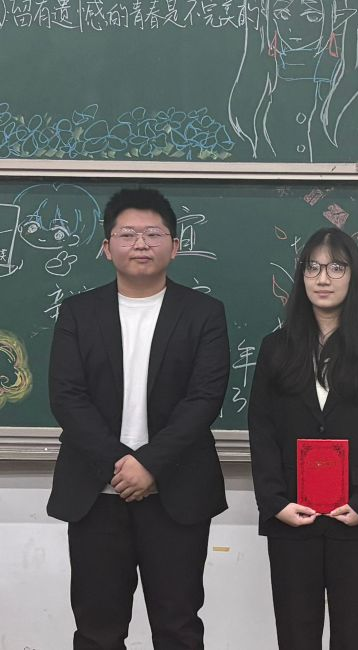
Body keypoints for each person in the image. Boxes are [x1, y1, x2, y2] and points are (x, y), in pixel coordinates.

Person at [47, 187, 230, 648]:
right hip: (95, 493)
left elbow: (204, 399)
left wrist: (149, 464)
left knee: (178, 628)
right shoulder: (77, 313)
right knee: (97, 630)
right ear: (107, 248)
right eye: (127, 234)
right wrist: (121, 465)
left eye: (153, 234)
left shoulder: (204, 314)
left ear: (175, 245)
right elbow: (67, 397)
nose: (141, 244)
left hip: (176, 491)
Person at [248, 227, 358, 649]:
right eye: (313, 267)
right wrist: (275, 503)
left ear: (354, 275)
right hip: (292, 519)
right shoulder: (276, 348)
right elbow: (261, 430)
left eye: (336, 267)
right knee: (295, 636)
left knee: (355, 637)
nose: (323, 278)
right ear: (301, 275)